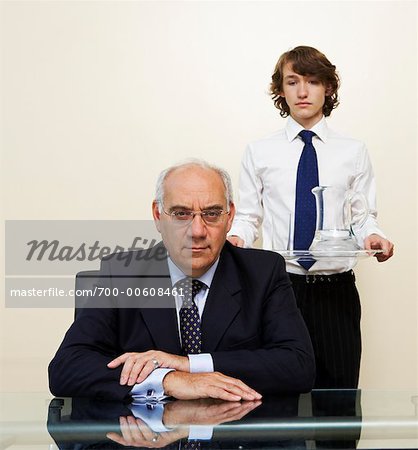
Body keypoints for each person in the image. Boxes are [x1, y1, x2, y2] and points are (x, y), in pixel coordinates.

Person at [49, 160, 315, 402]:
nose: (197, 231)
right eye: (180, 214)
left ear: (230, 216)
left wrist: (187, 364)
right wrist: (168, 380)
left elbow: (298, 365)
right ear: (158, 215)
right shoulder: (121, 274)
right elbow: (66, 368)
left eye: (211, 214)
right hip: (144, 439)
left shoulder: (263, 272)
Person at [228, 46, 394, 389]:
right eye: (292, 81)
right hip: (279, 288)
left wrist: (373, 236)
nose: (302, 92)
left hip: (335, 290)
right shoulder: (259, 152)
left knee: (339, 398)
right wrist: (236, 239)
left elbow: (363, 217)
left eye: (313, 81)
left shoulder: (354, 150)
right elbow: (247, 216)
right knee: (276, 393)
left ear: (328, 88)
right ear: (280, 89)